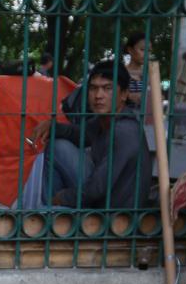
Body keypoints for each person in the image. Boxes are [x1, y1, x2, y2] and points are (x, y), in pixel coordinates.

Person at [27, 60, 151, 209]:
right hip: (102, 199)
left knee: (58, 148)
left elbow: (96, 188)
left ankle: (52, 210)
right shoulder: (103, 121)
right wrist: (52, 126)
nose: (98, 95)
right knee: (57, 144)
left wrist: (63, 197)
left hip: (115, 212)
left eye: (107, 88)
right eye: (93, 88)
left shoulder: (124, 131)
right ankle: (53, 212)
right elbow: (79, 133)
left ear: (124, 94)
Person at [122, 31, 147, 109]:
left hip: (146, 118)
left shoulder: (150, 74)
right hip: (124, 117)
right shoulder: (121, 72)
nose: (146, 54)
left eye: (149, 51)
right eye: (142, 49)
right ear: (130, 50)